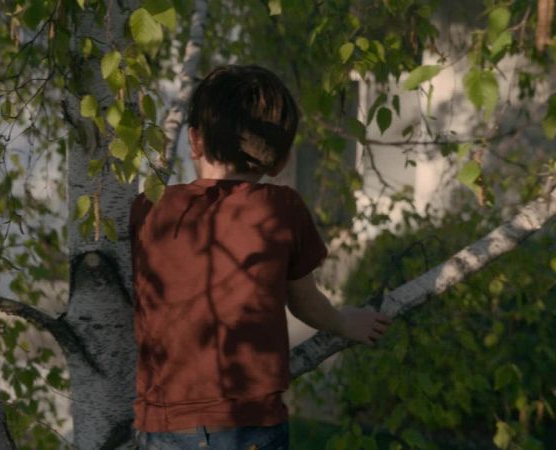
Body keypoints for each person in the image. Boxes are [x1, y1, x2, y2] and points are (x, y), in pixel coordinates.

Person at [129, 64, 391, 450]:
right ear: (281, 161)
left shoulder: (149, 209)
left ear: (194, 141)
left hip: (166, 423)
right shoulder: (281, 209)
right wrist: (343, 322)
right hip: (250, 424)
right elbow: (304, 301)